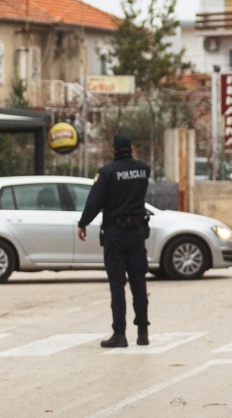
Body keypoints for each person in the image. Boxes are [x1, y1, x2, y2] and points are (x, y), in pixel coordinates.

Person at [77, 134, 152, 348]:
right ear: (132, 148)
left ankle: (120, 334)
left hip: (115, 233)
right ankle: (143, 333)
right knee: (139, 282)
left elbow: (94, 202)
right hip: (137, 231)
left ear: (113, 150)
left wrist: (83, 223)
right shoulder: (143, 170)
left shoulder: (107, 173)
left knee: (117, 284)